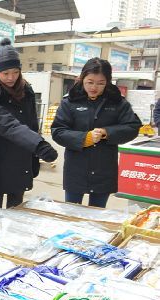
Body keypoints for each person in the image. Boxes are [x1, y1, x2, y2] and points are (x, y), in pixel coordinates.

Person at [51, 57, 141, 208]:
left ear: (108, 82)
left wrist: (107, 132)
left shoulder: (117, 102)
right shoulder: (70, 101)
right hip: (76, 167)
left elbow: (132, 126)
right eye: (90, 82)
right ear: (82, 78)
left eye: (101, 83)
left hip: (104, 167)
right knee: (72, 211)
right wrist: (84, 138)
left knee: (97, 212)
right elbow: (58, 131)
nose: (94, 87)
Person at [0, 38, 58, 208]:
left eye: (15, 72)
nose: (11, 78)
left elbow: (32, 124)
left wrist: (34, 157)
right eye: (5, 73)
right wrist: (38, 145)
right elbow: (7, 124)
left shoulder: (27, 91)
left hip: (21, 157)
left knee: (16, 210)